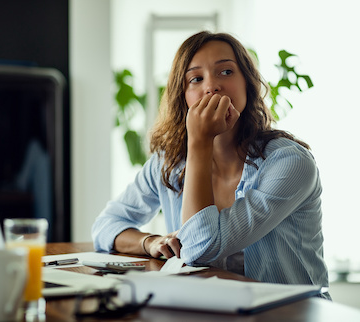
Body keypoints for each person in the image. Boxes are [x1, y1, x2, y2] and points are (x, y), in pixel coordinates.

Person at [92, 30, 330, 295]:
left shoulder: (289, 163)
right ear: (183, 96)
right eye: (196, 78)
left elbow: (198, 249)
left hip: (291, 313)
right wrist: (149, 242)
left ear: (247, 84)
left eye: (226, 72)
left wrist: (199, 142)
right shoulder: (169, 162)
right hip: (212, 308)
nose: (211, 86)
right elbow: (105, 226)